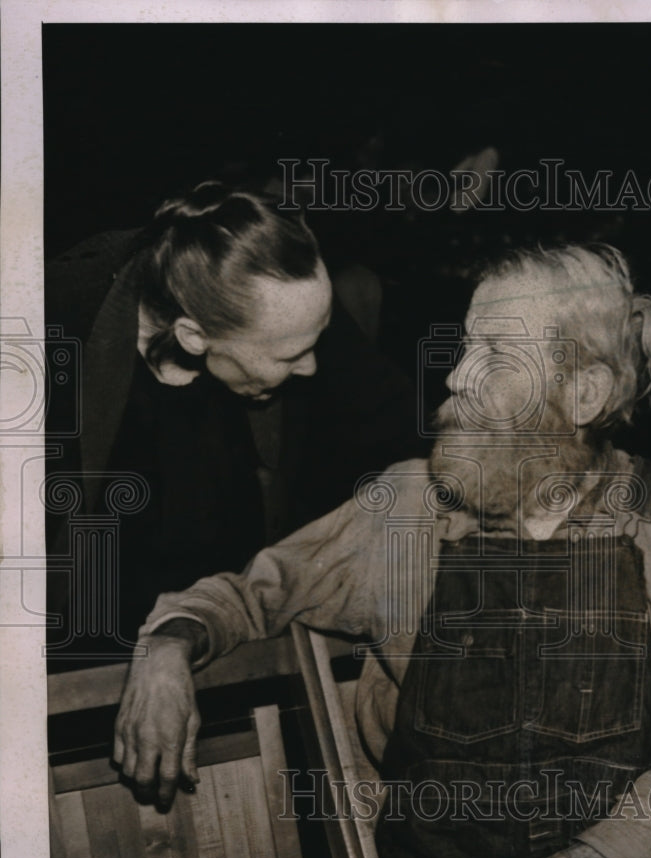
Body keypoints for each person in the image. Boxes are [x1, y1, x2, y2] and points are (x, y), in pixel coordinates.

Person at [113, 244, 651, 858]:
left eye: (494, 354)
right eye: (465, 345)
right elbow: (249, 595)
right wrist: (166, 646)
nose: (456, 375)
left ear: (584, 395)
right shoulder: (408, 508)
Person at [45, 180, 423, 657]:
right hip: (73, 648)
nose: (311, 367)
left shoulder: (288, 301)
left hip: (222, 631)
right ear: (192, 336)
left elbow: (395, 425)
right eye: (291, 356)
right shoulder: (50, 328)